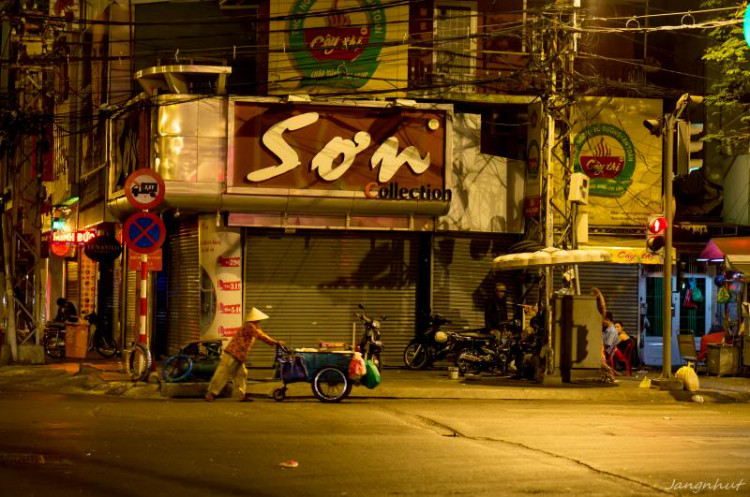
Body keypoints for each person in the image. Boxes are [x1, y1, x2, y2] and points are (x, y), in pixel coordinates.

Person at [205, 307, 285, 402]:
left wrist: (275, 342)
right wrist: (276, 342)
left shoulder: (254, 326)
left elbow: (260, 334)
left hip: (239, 355)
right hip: (233, 353)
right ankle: (210, 393)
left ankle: (241, 395)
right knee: (223, 373)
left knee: (242, 374)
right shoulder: (249, 326)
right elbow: (261, 336)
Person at [591, 288, 617, 383]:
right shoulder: (606, 328)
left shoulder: (610, 330)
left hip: (603, 349)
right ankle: (607, 375)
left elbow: (603, 307)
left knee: (599, 358)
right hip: (601, 346)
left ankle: (610, 373)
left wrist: (600, 295)